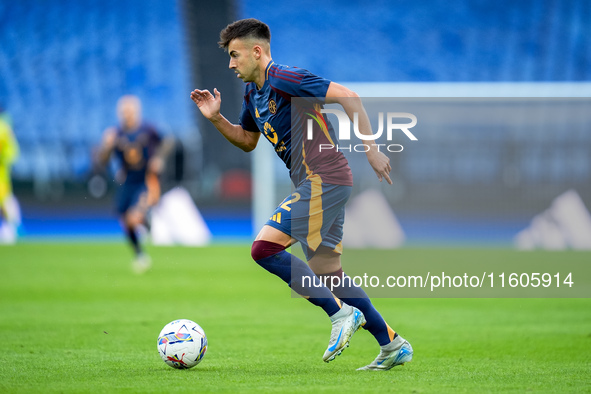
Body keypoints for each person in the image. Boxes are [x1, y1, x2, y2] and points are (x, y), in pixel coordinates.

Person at [190, 18, 412, 370]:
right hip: (319, 182)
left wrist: (370, 147)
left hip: (325, 177)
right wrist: (217, 119)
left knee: (263, 248)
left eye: (235, 56)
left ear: (257, 51)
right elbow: (248, 141)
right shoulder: (253, 93)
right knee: (329, 273)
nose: (231, 64)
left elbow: (348, 97)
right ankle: (392, 344)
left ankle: (340, 314)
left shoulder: (286, 78)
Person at [98, 95, 170, 273]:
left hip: (145, 181)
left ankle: (145, 220)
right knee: (126, 222)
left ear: (136, 112)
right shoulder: (116, 134)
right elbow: (103, 161)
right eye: (123, 112)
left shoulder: (148, 129)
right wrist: (106, 147)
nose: (126, 115)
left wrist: (158, 158)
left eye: (129, 111)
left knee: (132, 218)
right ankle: (140, 253)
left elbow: (167, 142)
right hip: (127, 182)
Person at [0, 106, 21, 244]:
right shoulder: (5, 126)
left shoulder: (3, 127)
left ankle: (13, 227)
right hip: (3, 168)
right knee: (6, 198)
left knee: (5, 198)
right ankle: (14, 227)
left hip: (2, 169)